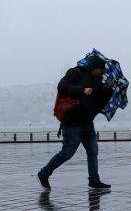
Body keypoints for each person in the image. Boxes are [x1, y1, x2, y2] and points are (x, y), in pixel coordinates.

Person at [37, 55, 113, 190]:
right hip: (73, 122)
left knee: (93, 150)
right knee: (67, 153)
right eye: (101, 69)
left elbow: (99, 104)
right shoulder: (75, 72)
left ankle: (94, 180)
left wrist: (108, 90)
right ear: (94, 68)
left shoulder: (99, 82)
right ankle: (44, 173)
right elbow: (62, 86)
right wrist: (82, 90)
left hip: (87, 122)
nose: (103, 72)